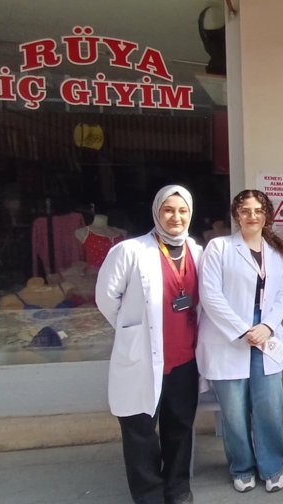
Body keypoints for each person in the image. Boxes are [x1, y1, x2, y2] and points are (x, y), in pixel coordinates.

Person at [95, 185, 202, 504]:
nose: (176, 217)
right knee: (140, 431)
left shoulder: (197, 250)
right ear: (157, 211)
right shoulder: (130, 251)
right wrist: (132, 331)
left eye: (182, 210)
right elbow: (105, 299)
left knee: (180, 427)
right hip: (141, 357)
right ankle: (149, 495)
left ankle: (177, 488)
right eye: (169, 210)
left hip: (184, 358)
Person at [197, 190, 283, 493]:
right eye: (245, 210)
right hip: (229, 335)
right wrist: (243, 329)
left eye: (258, 210)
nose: (252, 216)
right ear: (235, 215)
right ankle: (241, 467)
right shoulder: (219, 247)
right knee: (234, 410)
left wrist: (266, 325)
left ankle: (272, 465)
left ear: (267, 215)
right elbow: (210, 295)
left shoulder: (276, 252)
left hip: (266, 334)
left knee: (269, 404)